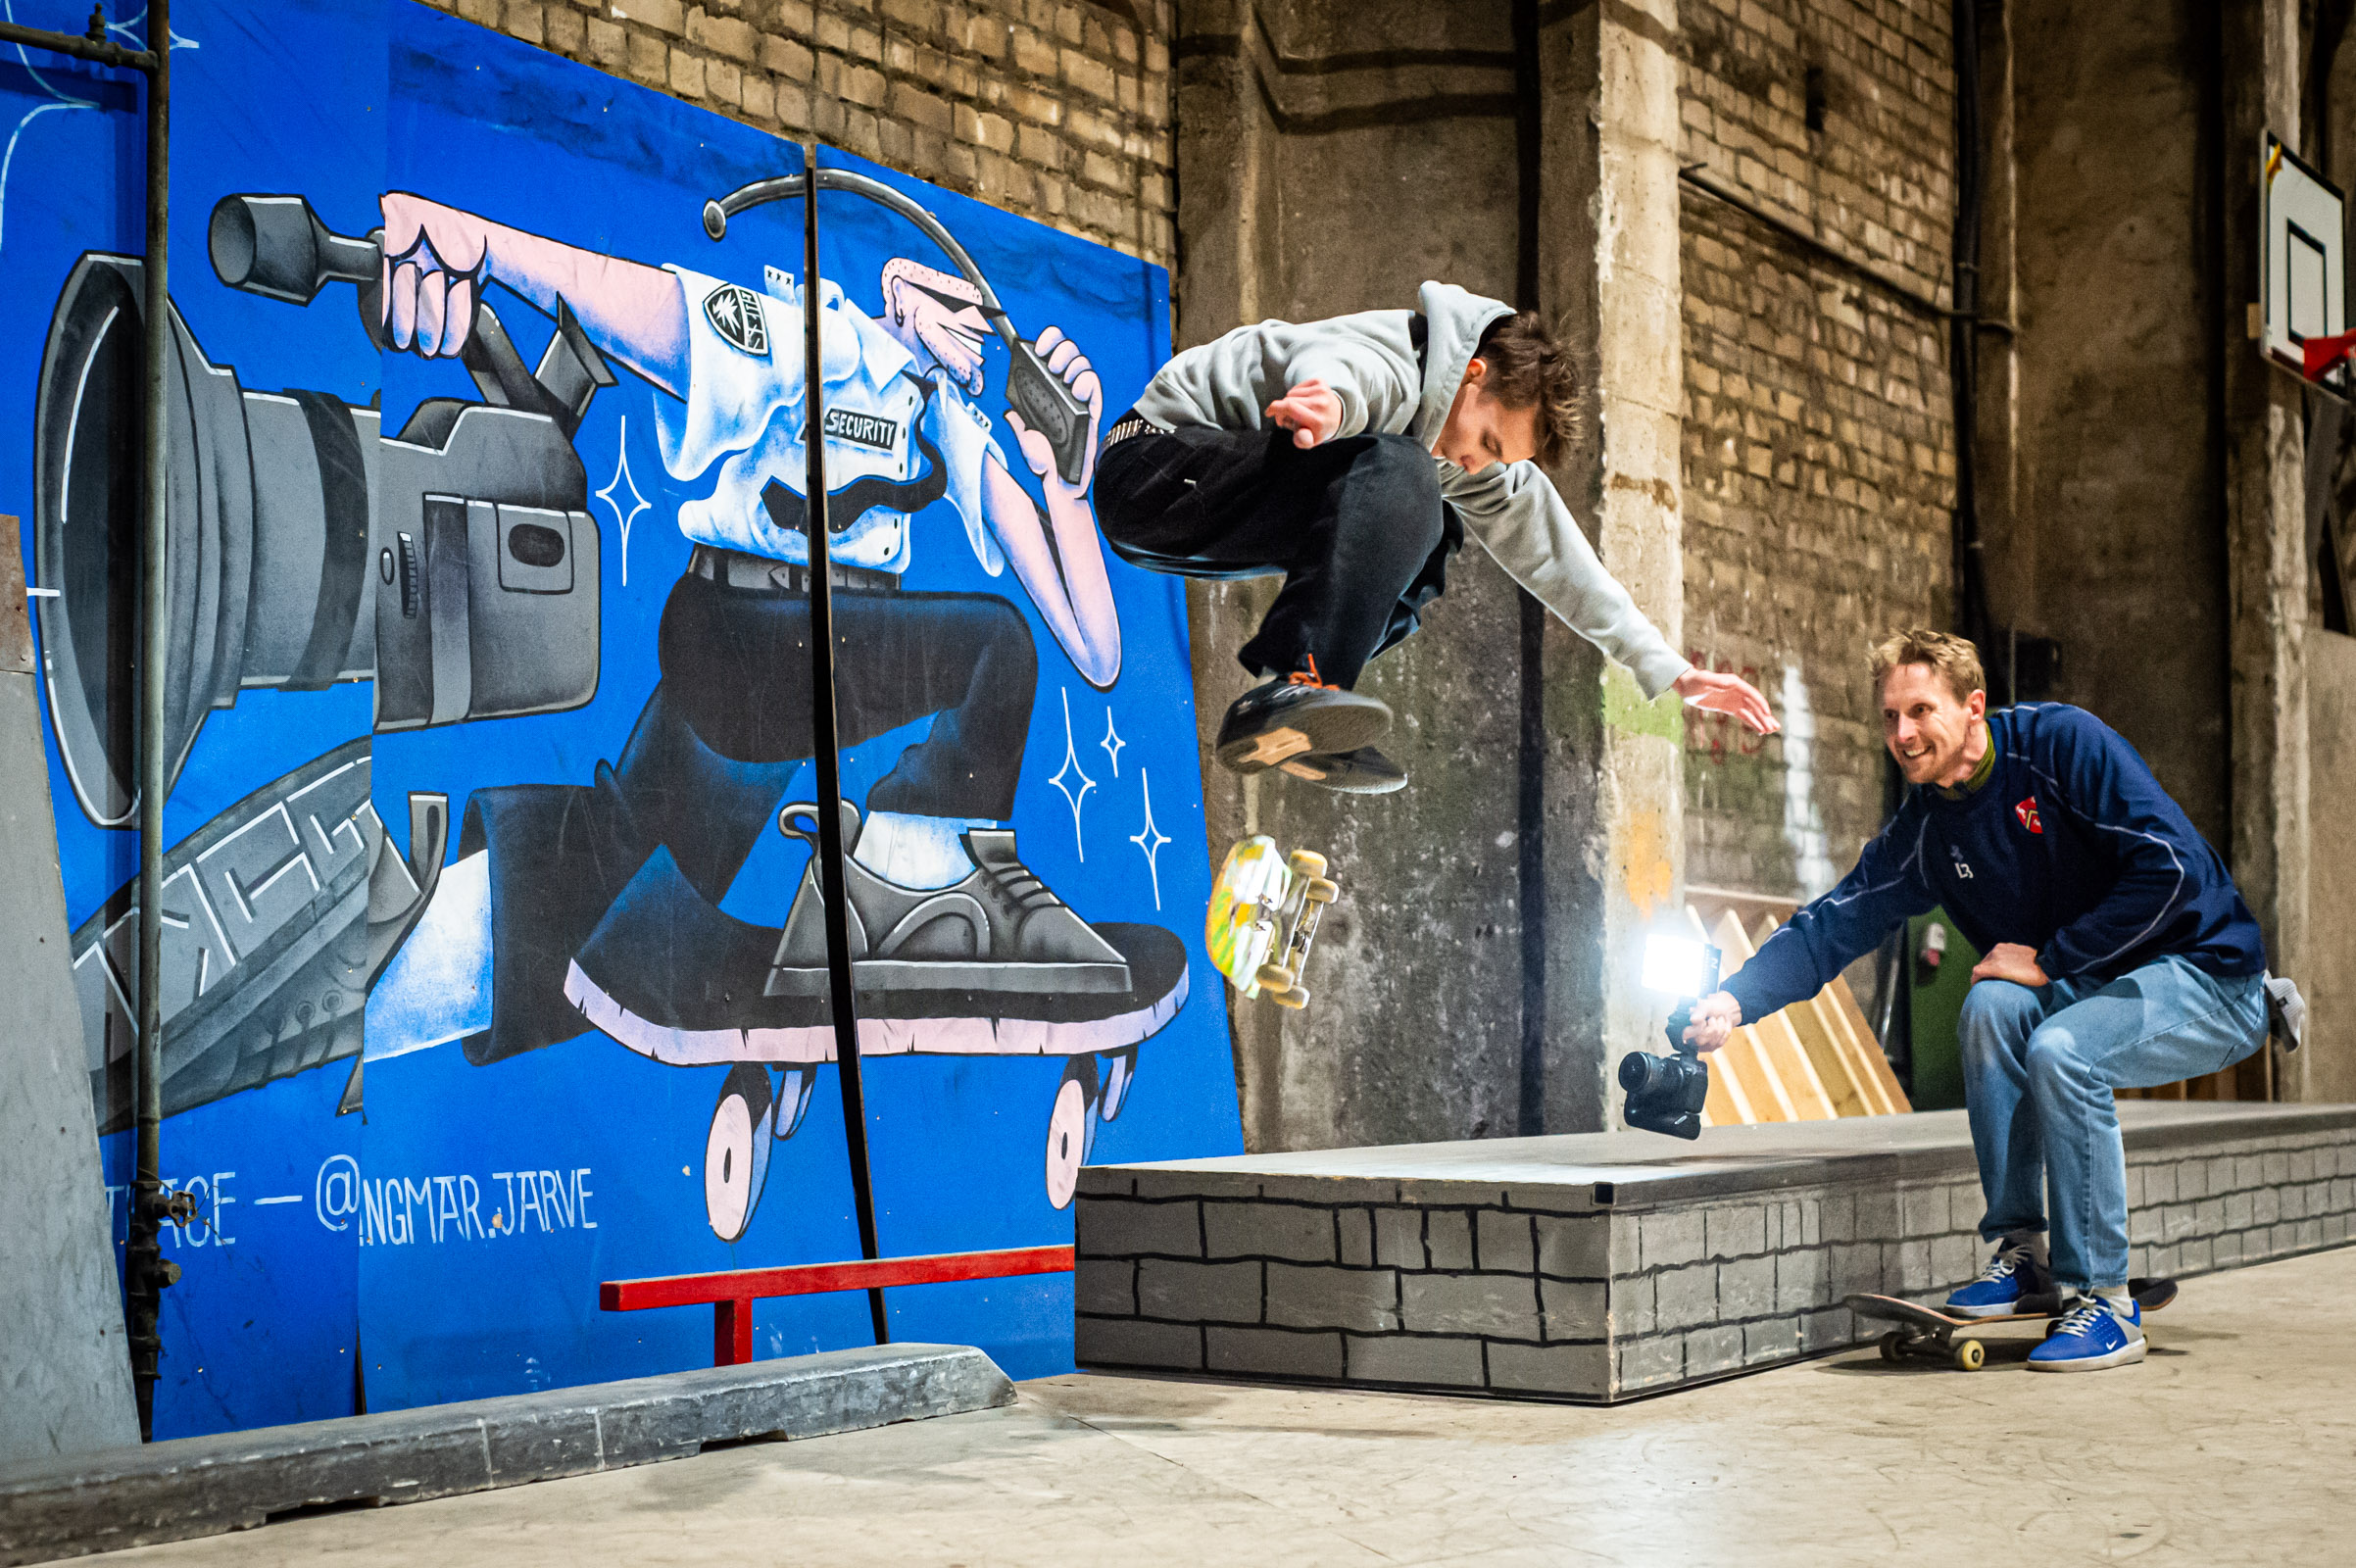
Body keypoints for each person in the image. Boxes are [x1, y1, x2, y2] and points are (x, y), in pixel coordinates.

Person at [1685, 629, 2290, 1372]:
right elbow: (1837, 921)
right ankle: (2024, 1253)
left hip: (2207, 971)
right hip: (2098, 981)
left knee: (2063, 1050)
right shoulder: (1927, 826)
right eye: (1889, 717)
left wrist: (2052, 958)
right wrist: (1734, 1001)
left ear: (1973, 707)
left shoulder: (2061, 747)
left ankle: (2105, 1299)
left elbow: (2170, 870)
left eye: (1920, 711)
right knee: (1990, 1010)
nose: (1902, 735)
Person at [1090, 282, 1779, 793]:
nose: (1475, 463)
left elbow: (1562, 562)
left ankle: (1303, 702)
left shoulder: (1465, 462)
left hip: (1210, 508)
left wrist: (1671, 671)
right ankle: (1301, 682)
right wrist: (1329, 405)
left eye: (1496, 459)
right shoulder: (1397, 358)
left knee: (1434, 528)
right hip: (1150, 469)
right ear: (1472, 374)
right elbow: (1345, 372)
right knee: (1403, 470)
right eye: (1487, 440)